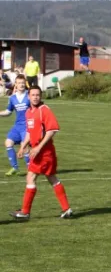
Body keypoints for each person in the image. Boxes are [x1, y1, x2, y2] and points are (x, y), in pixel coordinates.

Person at [10, 86, 73, 220]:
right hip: (37, 152)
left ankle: (25, 212)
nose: (35, 97)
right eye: (33, 95)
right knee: (52, 178)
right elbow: (29, 131)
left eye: (38, 95)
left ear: (41, 96)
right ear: (28, 96)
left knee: (31, 177)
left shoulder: (44, 110)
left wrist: (38, 147)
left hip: (44, 152)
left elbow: (52, 130)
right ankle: (67, 209)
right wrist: (23, 146)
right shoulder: (28, 112)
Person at [0, 74, 30, 176]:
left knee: (24, 146)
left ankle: (31, 169)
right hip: (17, 126)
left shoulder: (29, 95)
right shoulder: (12, 98)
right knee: (8, 142)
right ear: (15, 85)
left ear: (25, 83)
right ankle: (15, 168)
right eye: (19, 83)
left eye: (23, 83)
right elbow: (8, 112)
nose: (21, 85)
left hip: (27, 126)